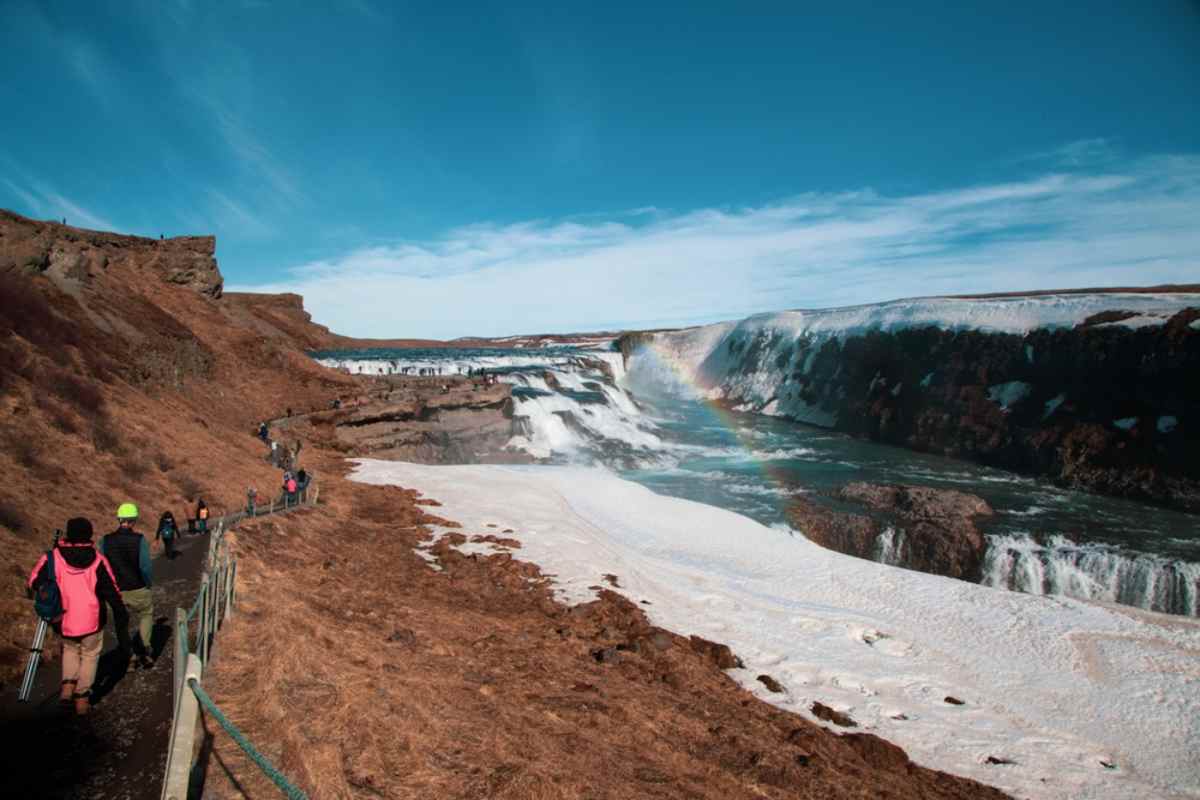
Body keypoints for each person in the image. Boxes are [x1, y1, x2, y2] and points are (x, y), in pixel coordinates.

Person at [27, 517, 129, 715]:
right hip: (92, 619)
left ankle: (66, 690)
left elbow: (33, 581)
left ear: (69, 533)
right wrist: (120, 612)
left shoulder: (53, 557)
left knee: (70, 650)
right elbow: (112, 590)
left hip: (63, 619)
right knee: (90, 656)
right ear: (89, 534)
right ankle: (82, 699)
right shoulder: (98, 559)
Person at [99, 504, 154, 670]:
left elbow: (102, 566)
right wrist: (148, 583)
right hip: (138, 586)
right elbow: (145, 566)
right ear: (134, 520)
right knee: (146, 615)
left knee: (121, 623)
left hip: (117, 590)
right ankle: (145, 650)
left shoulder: (105, 541)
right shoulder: (140, 540)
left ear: (119, 519)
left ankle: (130, 655)